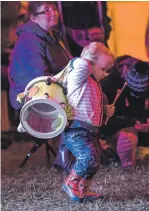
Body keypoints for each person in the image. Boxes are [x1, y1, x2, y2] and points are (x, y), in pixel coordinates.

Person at [58, 42, 115, 202]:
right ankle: (71, 183)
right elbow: (79, 63)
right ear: (90, 64)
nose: (106, 74)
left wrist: (104, 110)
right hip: (76, 129)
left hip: (88, 131)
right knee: (88, 157)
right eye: (104, 69)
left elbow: (90, 107)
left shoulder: (93, 84)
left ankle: (83, 189)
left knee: (95, 161)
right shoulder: (79, 77)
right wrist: (88, 57)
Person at [8, 1, 72, 111]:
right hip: (36, 99)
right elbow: (40, 79)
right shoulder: (29, 40)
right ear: (33, 17)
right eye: (47, 10)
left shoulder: (54, 35)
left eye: (54, 9)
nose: (54, 13)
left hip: (55, 92)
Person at [100, 56, 149, 168]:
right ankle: (119, 145)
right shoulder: (107, 84)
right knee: (127, 134)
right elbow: (103, 119)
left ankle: (116, 148)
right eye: (134, 94)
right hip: (121, 125)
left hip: (140, 125)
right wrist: (133, 123)